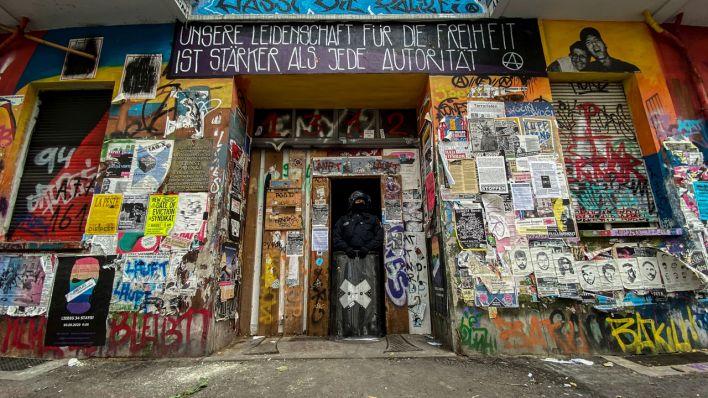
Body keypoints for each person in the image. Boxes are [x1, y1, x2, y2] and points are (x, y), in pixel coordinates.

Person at [333, 191, 384, 259]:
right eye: (358, 201)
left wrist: (367, 247)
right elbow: (336, 236)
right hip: (346, 257)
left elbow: (380, 235)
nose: (360, 203)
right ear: (352, 203)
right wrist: (346, 248)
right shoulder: (343, 219)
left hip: (369, 256)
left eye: (363, 201)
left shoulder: (373, 218)